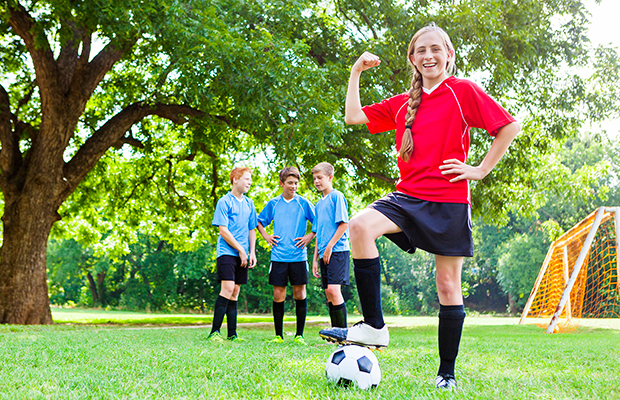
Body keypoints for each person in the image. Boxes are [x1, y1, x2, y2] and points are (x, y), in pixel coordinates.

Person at [318, 23, 520, 390]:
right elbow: (353, 116)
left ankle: (446, 374)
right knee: (361, 226)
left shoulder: (463, 91)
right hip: (407, 197)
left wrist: (479, 170)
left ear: (449, 55)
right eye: (421, 51)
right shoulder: (402, 103)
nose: (428, 56)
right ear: (412, 59)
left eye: (435, 49)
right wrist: (355, 72)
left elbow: (508, 126)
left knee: (447, 286)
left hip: (449, 201)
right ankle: (374, 326)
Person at [257, 167, 316, 345]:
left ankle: (300, 335)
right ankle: (278, 336)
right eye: (290, 183)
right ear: (281, 183)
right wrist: (266, 236)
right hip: (278, 256)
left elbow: (318, 222)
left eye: (296, 183)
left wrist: (309, 236)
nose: (294, 186)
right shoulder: (273, 203)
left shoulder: (304, 203)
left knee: (300, 294)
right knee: (278, 294)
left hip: (299, 256)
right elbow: (259, 222)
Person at [208, 167, 258, 342]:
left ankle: (232, 334)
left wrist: (252, 252)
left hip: (243, 254)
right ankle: (214, 332)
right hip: (227, 252)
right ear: (235, 179)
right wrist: (240, 249)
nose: (249, 182)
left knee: (235, 291)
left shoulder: (249, 203)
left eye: (250, 179)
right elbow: (223, 230)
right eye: (246, 179)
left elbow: (252, 229)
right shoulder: (224, 201)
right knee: (227, 288)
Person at [311, 162, 351, 329]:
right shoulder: (319, 204)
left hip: (338, 251)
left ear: (330, 177)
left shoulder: (337, 196)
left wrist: (329, 247)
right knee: (328, 294)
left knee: (334, 291)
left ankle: (343, 335)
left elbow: (343, 225)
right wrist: (315, 259)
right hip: (323, 253)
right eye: (314, 179)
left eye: (320, 178)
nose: (317, 181)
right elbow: (318, 233)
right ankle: (335, 335)